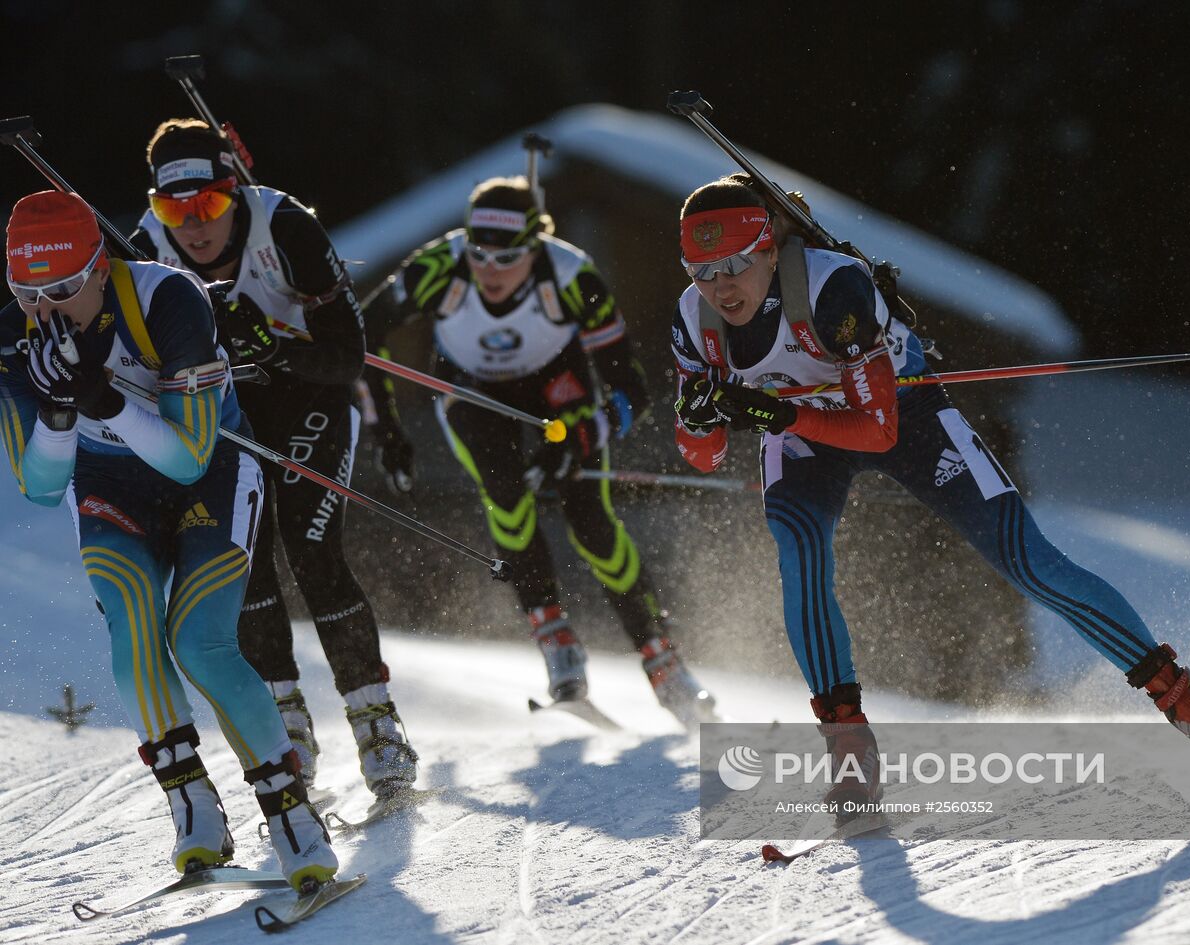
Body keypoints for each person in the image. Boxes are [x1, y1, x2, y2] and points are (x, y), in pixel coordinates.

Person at [669, 174, 1190, 809]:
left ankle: (1189, 704)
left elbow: (877, 432)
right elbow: (703, 458)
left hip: (904, 419)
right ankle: (849, 746)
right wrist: (698, 415)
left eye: (736, 263)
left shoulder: (832, 287)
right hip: (803, 437)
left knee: (1029, 562)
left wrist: (773, 415)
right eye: (701, 268)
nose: (721, 285)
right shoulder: (696, 318)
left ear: (770, 247)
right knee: (799, 556)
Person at [0, 190, 339, 887]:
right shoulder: (14, 334)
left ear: (100, 267)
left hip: (208, 473)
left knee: (200, 642)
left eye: (62, 288)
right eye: (25, 291)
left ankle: (290, 809)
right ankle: (190, 800)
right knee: (129, 613)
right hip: (108, 482)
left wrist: (107, 399)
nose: (46, 311)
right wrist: (62, 412)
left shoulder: (167, 300)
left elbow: (188, 454)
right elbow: (37, 484)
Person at [129, 119, 417, 799]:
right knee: (243, 562)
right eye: (176, 209)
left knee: (315, 553)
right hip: (225, 417)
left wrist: (275, 346)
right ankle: (288, 727)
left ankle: (377, 723)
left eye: (208, 205)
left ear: (234, 192)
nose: (193, 226)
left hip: (312, 398)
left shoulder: (284, 225)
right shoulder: (144, 248)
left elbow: (350, 354)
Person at [360, 176, 715, 725]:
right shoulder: (437, 267)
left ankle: (662, 661)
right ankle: (555, 638)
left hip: (557, 387)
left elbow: (631, 391)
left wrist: (580, 437)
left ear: (536, 245)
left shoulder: (573, 276)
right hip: (471, 390)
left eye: (509, 257)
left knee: (591, 520)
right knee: (507, 498)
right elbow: (362, 336)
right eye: (479, 254)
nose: (490, 270)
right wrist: (386, 429)